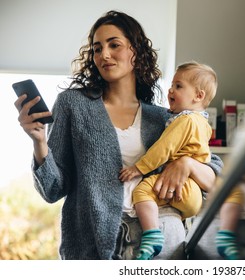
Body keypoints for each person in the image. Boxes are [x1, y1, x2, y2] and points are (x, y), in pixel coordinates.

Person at [13, 10, 222, 260]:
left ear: (136, 51)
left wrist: (186, 163)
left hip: (164, 241)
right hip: (92, 244)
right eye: (97, 48)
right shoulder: (73, 105)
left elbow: (214, 181)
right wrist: (39, 143)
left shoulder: (164, 117)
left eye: (115, 45)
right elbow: (53, 189)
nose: (105, 55)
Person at [119, 61, 217, 260]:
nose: (171, 90)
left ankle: (152, 235)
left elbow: (164, 148)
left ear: (198, 96)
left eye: (179, 86)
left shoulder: (185, 120)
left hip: (185, 187)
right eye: (172, 85)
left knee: (142, 191)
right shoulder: (202, 122)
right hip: (191, 194)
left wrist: (139, 168)